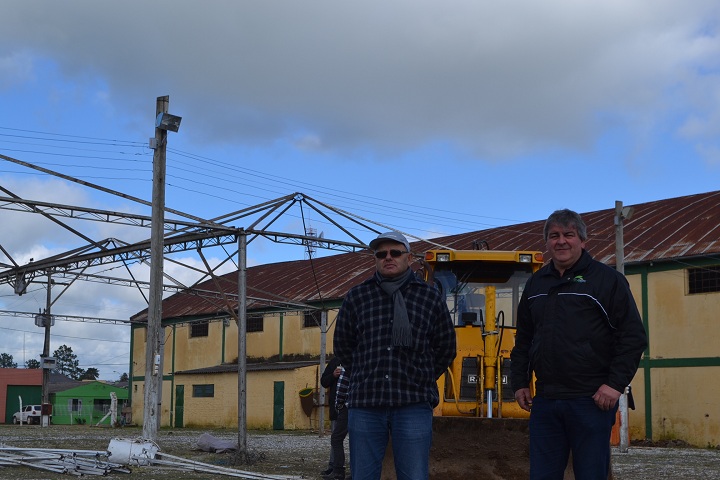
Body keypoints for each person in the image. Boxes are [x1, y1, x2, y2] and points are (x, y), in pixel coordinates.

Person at [510, 209, 648, 480]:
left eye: (568, 235)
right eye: (554, 236)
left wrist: (614, 385)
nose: (561, 241)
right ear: (547, 242)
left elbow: (632, 337)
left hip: (591, 401)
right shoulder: (536, 284)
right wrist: (520, 381)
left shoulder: (606, 281)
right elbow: (524, 338)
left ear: (582, 241)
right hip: (546, 401)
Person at [333, 231, 456, 480]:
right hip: (366, 404)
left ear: (409, 258)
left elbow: (445, 347)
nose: (388, 257)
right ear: (375, 260)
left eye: (395, 253)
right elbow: (343, 346)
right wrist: (364, 374)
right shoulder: (357, 296)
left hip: (413, 403)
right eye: (381, 254)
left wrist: (421, 377)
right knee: (363, 476)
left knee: (413, 475)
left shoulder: (429, 297)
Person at [320, 356, 344, 479]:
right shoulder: (335, 361)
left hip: (355, 408)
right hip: (337, 408)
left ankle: (355, 468)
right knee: (336, 439)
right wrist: (333, 375)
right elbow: (324, 381)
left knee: (356, 441)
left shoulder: (357, 358)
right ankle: (333, 467)